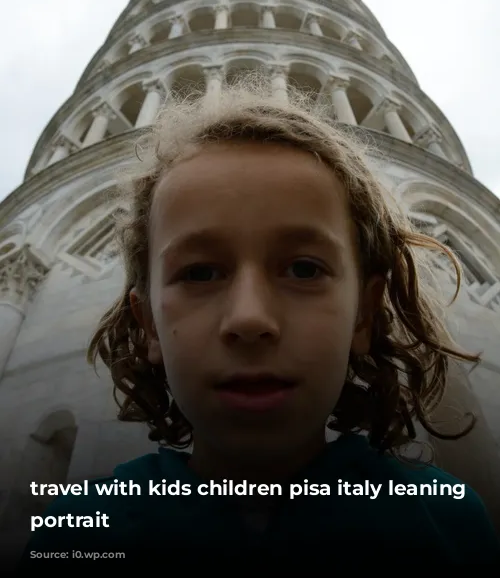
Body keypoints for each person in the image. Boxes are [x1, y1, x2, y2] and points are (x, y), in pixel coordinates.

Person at [18, 75, 500, 574]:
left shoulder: (449, 519)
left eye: (304, 269)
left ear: (366, 311)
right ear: (149, 327)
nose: (250, 319)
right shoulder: (77, 531)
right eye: (200, 272)